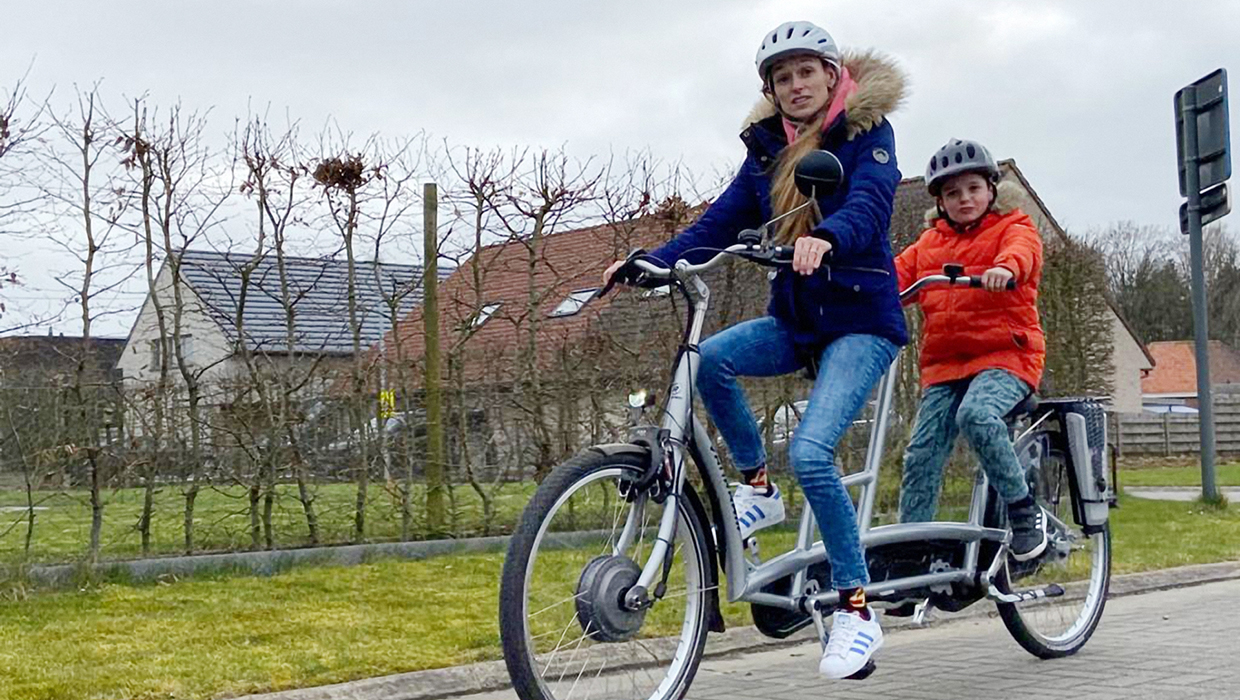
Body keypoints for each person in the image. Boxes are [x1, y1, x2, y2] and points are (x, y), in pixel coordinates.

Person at [603, 20, 907, 679]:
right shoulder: (769, 148)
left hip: (862, 319)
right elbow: (721, 219)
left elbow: (870, 205)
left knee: (813, 453)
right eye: (781, 77)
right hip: (798, 320)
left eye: (806, 72)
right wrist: (648, 262)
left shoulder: (867, 133)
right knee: (707, 360)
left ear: (832, 75)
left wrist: (827, 238)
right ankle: (759, 489)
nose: (795, 85)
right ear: (770, 90)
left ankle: (856, 611)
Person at [894, 138, 1050, 561]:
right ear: (940, 202)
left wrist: (1004, 268)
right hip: (945, 367)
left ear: (991, 190)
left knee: (977, 415)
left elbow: (1023, 253)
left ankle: (1023, 510)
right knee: (922, 451)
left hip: (1007, 356)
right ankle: (912, 550)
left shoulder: (1012, 227)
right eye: (952, 193)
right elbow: (894, 276)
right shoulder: (929, 244)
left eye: (973, 189)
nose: (964, 199)